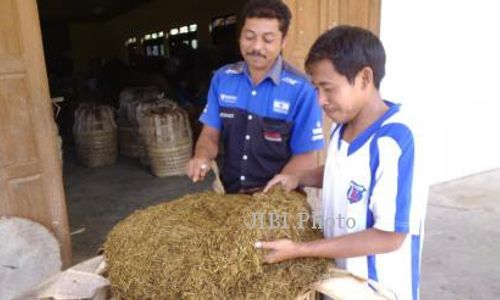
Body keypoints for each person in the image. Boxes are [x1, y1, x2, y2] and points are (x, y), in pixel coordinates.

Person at [259, 26, 427, 300]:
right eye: (316, 89)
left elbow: (390, 237)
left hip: (376, 290)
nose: (320, 101)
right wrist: (299, 178)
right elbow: (343, 174)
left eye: (328, 88)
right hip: (338, 282)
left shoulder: (395, 140)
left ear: (364, 78)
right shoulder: (342, 127)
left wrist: (301, 249)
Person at [186, 0, 325, 193]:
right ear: (240, 37)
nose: (256, 47)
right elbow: (210, 134)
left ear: (283, 41)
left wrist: (271, 196)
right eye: (249, 37)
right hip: (229, 195)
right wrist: (202, 156)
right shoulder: (222, 79)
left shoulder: (302, 89)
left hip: (279, 199)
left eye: (268, 39)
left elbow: (305, 155)